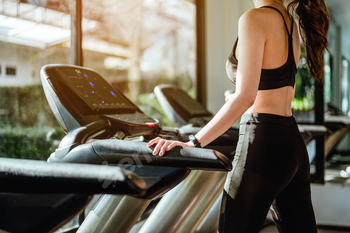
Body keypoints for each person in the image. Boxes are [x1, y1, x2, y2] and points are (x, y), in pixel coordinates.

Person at [147, 0, 330, 232]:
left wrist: (192, 142)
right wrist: (238, 98)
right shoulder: (289, 22)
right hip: (290, 141)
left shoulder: (254, 18)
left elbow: (246, 97)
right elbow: (270, 86)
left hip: (262, 141)